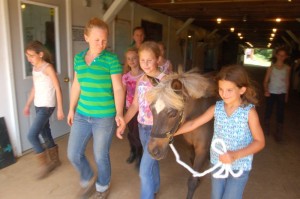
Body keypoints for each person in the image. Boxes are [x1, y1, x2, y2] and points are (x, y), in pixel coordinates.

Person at [175, 65, 265, 199]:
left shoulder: (249, 112)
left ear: (242, 89)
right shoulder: (216, 108)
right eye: (221, 89)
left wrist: (234, 155)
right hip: (217, 163)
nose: (224, 94)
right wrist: (171, 134)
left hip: (239, 167)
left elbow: (259, 142)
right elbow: (194, 123)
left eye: (229, 90)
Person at [67, 17, 125, 199]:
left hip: (104, 117)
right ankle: (88, 176)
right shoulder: (78, 59)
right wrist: (71, 108)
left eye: (104, 40)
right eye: (97, 40)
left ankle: (102, 186)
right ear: (86, 37)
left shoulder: (111, 60)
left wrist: (120, 113)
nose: (101, 44)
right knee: (73, 154)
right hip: (82, 114)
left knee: (101, 155)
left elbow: (118, 88)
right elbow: (77, 85)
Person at [117, 41, 166, 199]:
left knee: (144, 171)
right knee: (152, 161)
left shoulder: (165, 80)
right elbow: (135, 105)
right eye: (142, 60)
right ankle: (155, 187)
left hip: (156, 132)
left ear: (158, 59)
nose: (145, 64)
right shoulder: (141, 80)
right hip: (142, 127)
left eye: (149, 60)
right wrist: (123, 122)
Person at [23, 40, 64, 179]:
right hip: (38, 104)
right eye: (27, 56)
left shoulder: (48, 68)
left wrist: (60, 109)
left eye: (31, 56)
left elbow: (58, 88)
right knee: (45, 131)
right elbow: (35, 87)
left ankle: (44, 165)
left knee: (31, 135)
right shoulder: (35, 69)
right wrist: (28, 104)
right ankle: (55, 160)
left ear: (40, 54)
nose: (29, 59)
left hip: (47, 106)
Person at [122, 47, 144, 167]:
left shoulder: (144, 75)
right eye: (129, 59)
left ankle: (139, 154)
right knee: (131, 132)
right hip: (129, 108)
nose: (131, 61)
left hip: (142, 110)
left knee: (138, 133)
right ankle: (133, 151)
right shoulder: (126, 77)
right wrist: (120, 111)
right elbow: (122, 92)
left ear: (139, 59)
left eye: (134, 58)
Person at [263, 47, 291, 142]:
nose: (281, 57)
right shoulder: (271, 68)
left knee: (280, 112)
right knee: (269, 110)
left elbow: (287, 81)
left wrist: (286, 94)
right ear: (276, 55)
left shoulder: (287, 68)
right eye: (279, 55)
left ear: (286, 57)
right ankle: (266, 127)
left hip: (282, 93)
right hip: (271, 92)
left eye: (283, 55)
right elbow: (266, 81)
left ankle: (279, 132)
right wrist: (266, 90)